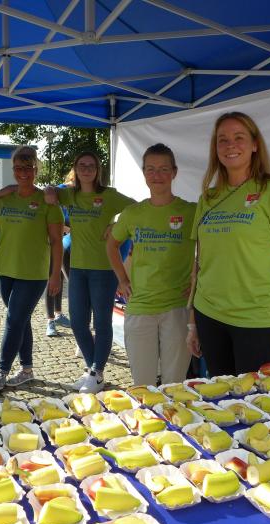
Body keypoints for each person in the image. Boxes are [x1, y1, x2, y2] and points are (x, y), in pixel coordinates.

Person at [185, 111, 270, 376]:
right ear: (215, 149)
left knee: (254, 396)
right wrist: (193, 322)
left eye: (239, 137)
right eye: (223, 140)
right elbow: (200, 263)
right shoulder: (208, 198)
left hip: (257, 320)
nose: (231, 145)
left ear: (254, 145)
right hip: (209, 315)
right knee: (220, 393)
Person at [45, 151, 135, 393]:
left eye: (91, 165)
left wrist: (118, 225)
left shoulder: (109, 195)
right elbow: (48, 190)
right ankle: (92, 369)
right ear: (75, 168)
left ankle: (97, 371)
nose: (86, 169)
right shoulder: (70, 194)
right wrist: (50, 190)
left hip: (104, 269)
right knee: (78, 322)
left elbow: (139, 208)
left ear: (98, 170)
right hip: (78, 268)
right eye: (82, 165)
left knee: (102, 322)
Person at [107, 143, 196, 386]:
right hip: (140, 306)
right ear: (144, 173)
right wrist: (122, 279)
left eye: (164, 169)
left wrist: (198, 281)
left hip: (177, 307)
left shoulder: (191, 211)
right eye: (151, 169)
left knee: (174, 384)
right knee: (142, 384)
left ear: (174, 172)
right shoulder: (132, 213)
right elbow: (111, 245)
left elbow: (210, 248)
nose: (157, 175)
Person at [0, 146, 64, 390]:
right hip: (3, 269)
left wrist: (55, 275)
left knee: (14, 319)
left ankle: (2, 370)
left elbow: (57, 241)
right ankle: (27, 369)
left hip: (33, 273)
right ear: (13, 170)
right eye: (19, 168)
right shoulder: (5, 198)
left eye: (29, 167)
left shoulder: (48, 201)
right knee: (20, 319)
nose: (24, 173)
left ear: (36, 170)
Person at [45, 171, 74, 337]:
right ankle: (50, 321)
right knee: (52, 279)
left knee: (60, 280)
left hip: (68, 244)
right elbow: (49, 218)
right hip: (54, 243)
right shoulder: (59, 191)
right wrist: (65, 228)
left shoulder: (77, 196)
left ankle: (58, 314)